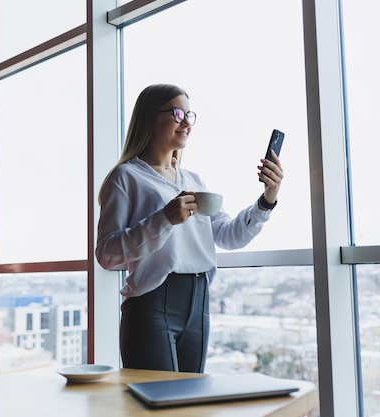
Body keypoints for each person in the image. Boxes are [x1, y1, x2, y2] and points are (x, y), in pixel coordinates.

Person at [95, 84, 283, 373]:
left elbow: (229, 235)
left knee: (190, 400)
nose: (186, 123)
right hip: (153, 302)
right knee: (160, 406)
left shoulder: (194, 181)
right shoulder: (126, 177)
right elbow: (107, 254)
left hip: (198, 301)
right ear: (149, 117)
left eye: (189, 115)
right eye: (177, 113)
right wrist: (164, 219)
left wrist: (267, 199)